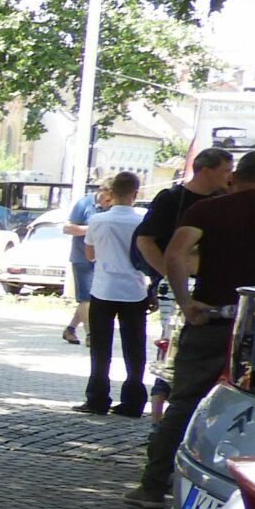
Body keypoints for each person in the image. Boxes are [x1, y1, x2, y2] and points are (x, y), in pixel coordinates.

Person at [136, 148, 255, 508]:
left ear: (235, 176)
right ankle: (251, 496)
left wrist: (185, 302)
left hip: (211, 318)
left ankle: (152, 486)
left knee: (184, 402)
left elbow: (174, 254)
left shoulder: (205, 209)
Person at [136, 149, 233, 419]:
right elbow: (145, 240)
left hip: (210, 286)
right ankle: (160, 415)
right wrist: (169, 272)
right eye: (225, 170)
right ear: (206, 170)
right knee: (172, 346)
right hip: (178, 286)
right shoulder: (172, 199)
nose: (230, 176)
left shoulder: (224, 200)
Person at [77, 172, 151, 417]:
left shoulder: (99, 220)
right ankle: (133, 401)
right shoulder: (143, 220)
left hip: (104, 288)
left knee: (100, 348)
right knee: (135, 347)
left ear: (110, 194)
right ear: (135, 193)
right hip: (134, 289)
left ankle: (97, 398)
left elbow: (90, 254)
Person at [63, 178, 102, 342]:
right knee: (86, 298)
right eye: (106, 198)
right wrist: (92, 228)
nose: (108, 202)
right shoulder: (85, 204)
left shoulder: (112, 206)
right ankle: (90, 335)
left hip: (101, 259)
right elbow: (67, 228)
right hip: (82, 258)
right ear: (101, 191)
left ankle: (70, 329)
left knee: (90, 299)